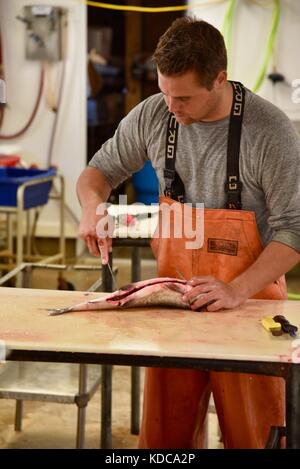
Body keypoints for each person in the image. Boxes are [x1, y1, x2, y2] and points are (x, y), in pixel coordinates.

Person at [77, 17, 300, 448]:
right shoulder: (156, 114)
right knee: (165, 437)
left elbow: (294, 229)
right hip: (174, 308)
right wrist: (93, 207)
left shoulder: (269, 132)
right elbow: (98, 172)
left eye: (183, 97)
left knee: (254, 434)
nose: (171, 107)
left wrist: (237, 289)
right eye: (164, 92)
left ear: (219, 79)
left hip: (249, 309)